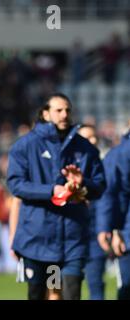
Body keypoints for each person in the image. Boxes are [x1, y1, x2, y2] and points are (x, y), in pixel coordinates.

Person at [7, 93, 106, 300]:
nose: (64, 115)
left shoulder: (85, 148)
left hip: (72, 240)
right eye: (59, 110)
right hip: (38, 239)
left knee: (70, 294)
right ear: (45, 113)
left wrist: (82, 184)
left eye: (68, 110)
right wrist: (51, 191)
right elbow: (16, 184)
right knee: (38, 295)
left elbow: (100, 186)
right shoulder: (25, 146)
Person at [97, 122, 130, 300]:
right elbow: (110, 195)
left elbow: (110, 195)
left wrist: (108, 228)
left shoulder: (117, 154)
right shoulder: (119, 155)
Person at [77, 124, 110, 300]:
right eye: (87, 138)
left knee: (96, 285)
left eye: (94, 137)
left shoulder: (104, 168)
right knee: (63, 287)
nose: (93, 141)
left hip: (95, 238)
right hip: (69, 239)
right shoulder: (64, 168)